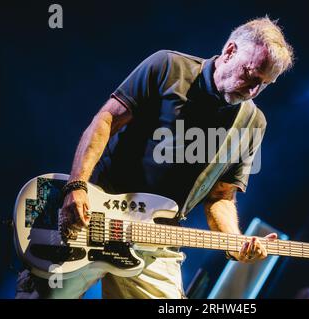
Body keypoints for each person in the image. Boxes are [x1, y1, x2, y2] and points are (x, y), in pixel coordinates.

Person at [16, 16, 293, 299]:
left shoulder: (252, 123)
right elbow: (106, 120)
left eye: (265, 84)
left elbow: (221, 197)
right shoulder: (169, 67)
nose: (253, 90)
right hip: (93, 216)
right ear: (230, 50)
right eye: (251, 74)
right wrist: (77, 186)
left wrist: (235, 241)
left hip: (156, 240)